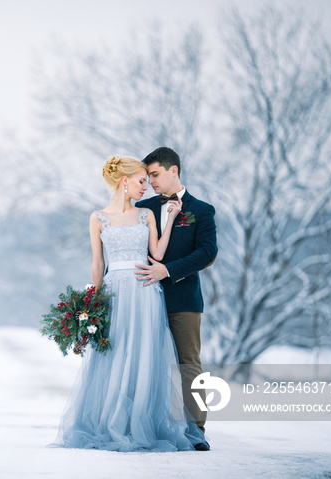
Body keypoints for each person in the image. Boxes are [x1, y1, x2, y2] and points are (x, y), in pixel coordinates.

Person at [52, 155, 205, 452]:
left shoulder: (145, 215)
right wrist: (92, 303)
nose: (145, 187)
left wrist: (171, 218)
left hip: (145, 291)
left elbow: (158, 254)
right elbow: (98, 263)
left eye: (148, 180)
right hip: (114, 292)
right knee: (115, 352)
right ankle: (113, 422)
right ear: (125, 181)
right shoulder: (98, 217)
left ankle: (144, 421)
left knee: (145, 353)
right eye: (141, 181)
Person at [135, 147, 217, 450]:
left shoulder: (202, 209)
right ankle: (145, 425)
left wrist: (167, 271)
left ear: (174, 171)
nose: (151, 181)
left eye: (155, 175)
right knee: (144, 362)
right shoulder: (140, 208)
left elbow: (207, 253)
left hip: (183, 299)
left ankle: (196, 431)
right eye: (147, 176)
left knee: (188, 364)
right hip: (142, 300)